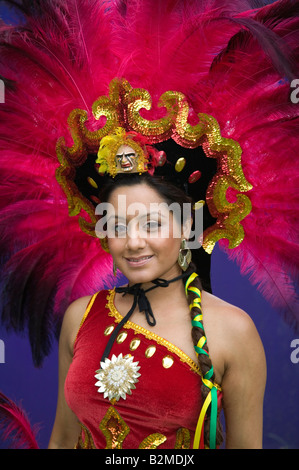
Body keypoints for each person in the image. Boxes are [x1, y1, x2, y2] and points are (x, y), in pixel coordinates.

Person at [48, 136, 266, 449]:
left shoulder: (232, 330)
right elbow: (62, 441)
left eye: (151, 225)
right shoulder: (80, 317)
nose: (133, 243)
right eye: (119, 227)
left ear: (186, 223)